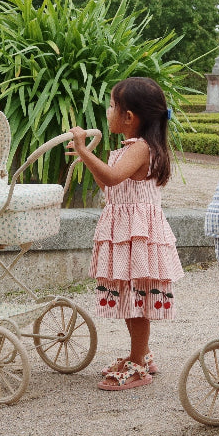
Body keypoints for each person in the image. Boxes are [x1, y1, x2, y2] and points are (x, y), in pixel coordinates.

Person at [67, 77, 184, 391]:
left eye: (112, 106)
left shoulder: (141, 148)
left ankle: (137, 361)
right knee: (132, 295)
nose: (108, 111)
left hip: (136, 235)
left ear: (129, 117)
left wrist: (83, 150)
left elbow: (113, 177)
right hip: (129, 232)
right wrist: (87, 157)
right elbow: (110, 185)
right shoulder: (136, 148)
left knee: (137, 297)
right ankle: (140, 354)